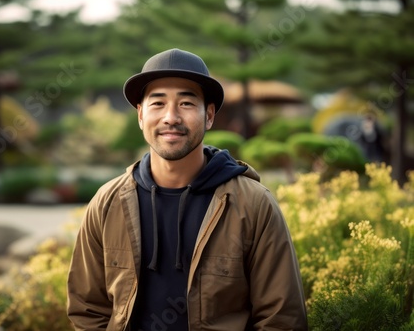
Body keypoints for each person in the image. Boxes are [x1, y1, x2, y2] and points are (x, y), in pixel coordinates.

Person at [67, 48, 308, 330]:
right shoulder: (107, 203)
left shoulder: (253, 204)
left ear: (208, 115)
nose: (171, 117)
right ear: (140, 115)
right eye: (157, 104)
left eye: (186, 103)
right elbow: (87, 309)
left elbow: (281, 318)